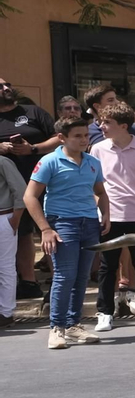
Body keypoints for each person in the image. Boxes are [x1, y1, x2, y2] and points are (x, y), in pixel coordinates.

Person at [22, 117, 109, 349]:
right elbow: (29, 197)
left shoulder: (92, 162)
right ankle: (56, 328)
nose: (83, 140)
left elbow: (100, 191)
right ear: (62, 138)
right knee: (65, 276)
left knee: (82, 277)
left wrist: (106, 214)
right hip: (62, 224)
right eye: (77, 136)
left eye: (86, 135)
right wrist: (45, 229)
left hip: (90, 223)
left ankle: (73, 325)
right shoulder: (49, 161)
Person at [88, 103, 135, 329]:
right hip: (111, 216)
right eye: (101, 121)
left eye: (107, 122)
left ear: (124, 125)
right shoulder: (97, 149)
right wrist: (103, 212)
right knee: (107, 266)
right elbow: (95, 186)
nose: (101, 126)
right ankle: (105, 312)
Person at [0, 75, 59, 301]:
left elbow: (59, 138)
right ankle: (28, 281)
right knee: (22, 234)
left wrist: (32, 149)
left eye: (8, 84)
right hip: (9, 191)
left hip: (44, 182)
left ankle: (58, 280)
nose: (7, 88)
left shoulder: (33, 113)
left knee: (49, 230)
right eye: (1, 86)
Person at [0, 152, 24, 328]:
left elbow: (21, 190)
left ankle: (6, 312)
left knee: (5, 266)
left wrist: (15, 219)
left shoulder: (3, 161)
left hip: (3, 215)